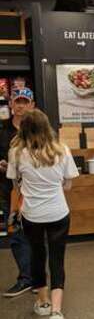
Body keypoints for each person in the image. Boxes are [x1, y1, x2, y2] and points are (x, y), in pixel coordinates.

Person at [7, 109, 79, 319]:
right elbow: (68, 184)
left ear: (25, 129)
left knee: (38, 256)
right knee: (57, 259)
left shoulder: (16, 152)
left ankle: (44, 302)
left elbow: (15, 186)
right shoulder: (62, 150)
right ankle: (57, 312)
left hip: (32, 215)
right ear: (47, 127)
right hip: (58, 212)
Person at [0, 88, 34, 298]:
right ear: (11, 104)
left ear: (32, 105)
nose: (20, 105)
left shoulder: (37, 130)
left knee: (37, 235)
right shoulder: (1, 129)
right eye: (17, 101)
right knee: (16, 236)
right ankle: (26, 279)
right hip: (9, 193)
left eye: (25, 101)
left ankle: (38, 277)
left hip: (34, 192)